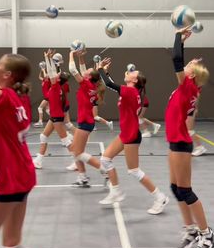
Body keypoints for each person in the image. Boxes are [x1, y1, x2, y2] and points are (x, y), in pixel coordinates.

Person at [0, 55, 61, 248]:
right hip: (22, 175)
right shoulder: (17, 95)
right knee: (12, 243)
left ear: (7, 75)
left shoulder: (1, 97)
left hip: (11, 180)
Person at [97, 58, 169, 215]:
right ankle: (116, 191)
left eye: (132, 72)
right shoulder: (130, 91)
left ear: (134, 80)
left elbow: (109, 85)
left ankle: (160, 197)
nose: (128, 72)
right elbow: (114, 86)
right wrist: (106, 72)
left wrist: (100, 68)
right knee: (105, 159)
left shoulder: (131, 91)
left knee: (134, 170)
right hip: (126, 133)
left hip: (131, 135)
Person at [166, 27, 213, 248]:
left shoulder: (187, 86)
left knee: (185, 190)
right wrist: (183, 43)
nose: (185, 67)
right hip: (174, 142)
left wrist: (178, 35)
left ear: (192, 75)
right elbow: (180, 60)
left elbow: (176, 58)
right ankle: (192, 230)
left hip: (181, 143)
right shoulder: (189, 87)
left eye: (189, 68)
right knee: (175, 189)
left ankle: (207, 234)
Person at [68, 49, 104, 187]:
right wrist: (81, 57)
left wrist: (71, 53)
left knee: (78, 153)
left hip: (85, 122)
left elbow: (73, 69)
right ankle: (82, 177)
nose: (86, 71)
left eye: (87, 72)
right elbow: (83, 70)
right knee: (75, 150)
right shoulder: (92, 85)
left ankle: (104, 169)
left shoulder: (86, 84)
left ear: (88, 77)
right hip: (85, 121)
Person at [33, 50, 73, 170]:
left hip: (56, 118)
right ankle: (39, 160)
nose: (55, 74)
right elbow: (51, 71)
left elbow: (51, 71)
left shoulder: (55, 87)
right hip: (54, 116)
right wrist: (49, 59)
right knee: (43, 137)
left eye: (57, 75)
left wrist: (47, 58)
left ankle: (77, 160)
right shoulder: (57, 86)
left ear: (58, 80)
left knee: (66, 141)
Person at [186, 89, 207, 157]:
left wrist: (195, 108)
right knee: (185, 129)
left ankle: (200, 148)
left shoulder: (194, 86)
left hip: (190, 109)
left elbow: (196, 96)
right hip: (188, 108)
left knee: (190, 130)